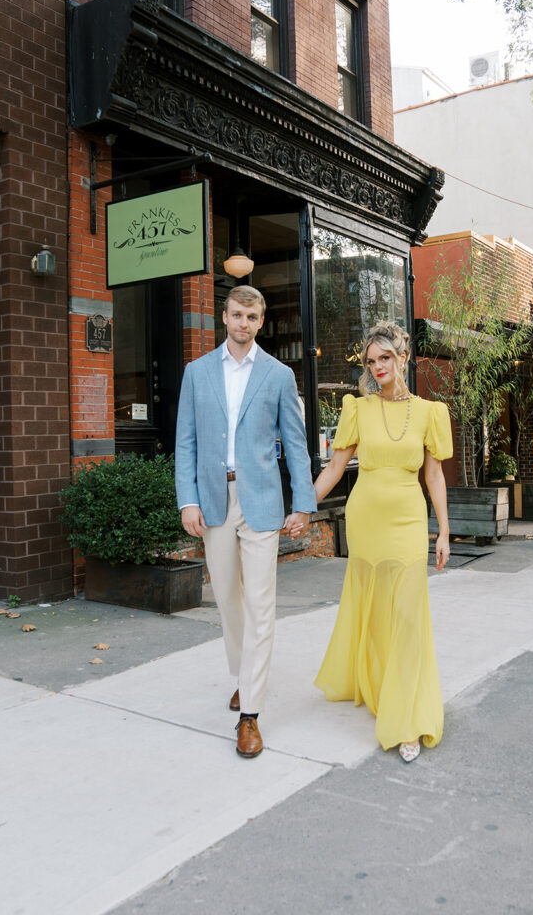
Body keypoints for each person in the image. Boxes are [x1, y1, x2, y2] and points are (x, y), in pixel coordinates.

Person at [175, 285, 316, 758]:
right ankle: (243, 673)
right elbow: (186, 443)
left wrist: (303, 502)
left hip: (261, 501)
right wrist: (187, 500)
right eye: (236, 314)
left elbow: (295, 444)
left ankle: (250, 713)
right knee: (228, 602)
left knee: (260, 604)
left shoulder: (278, 375)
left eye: (252, 317)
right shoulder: (196, 373)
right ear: (224, 316)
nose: (243, 323)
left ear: (260, 321)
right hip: (215, 500)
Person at [312, 322, 452, 763]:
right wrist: (299, 506)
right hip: (367, 516)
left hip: (409, 519)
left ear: (402, 358)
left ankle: (406, 716)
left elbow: (433, 474)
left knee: (408, 615)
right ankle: (377, 685)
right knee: (374, 610)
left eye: (384, 359)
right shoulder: (358, 408)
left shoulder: (430, 412)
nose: (377, 368)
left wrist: (443, 529)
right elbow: (336, 469)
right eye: (371, 362)